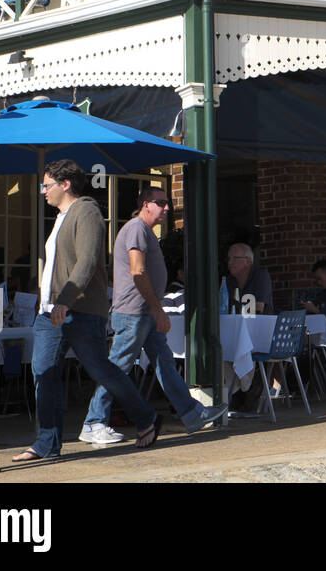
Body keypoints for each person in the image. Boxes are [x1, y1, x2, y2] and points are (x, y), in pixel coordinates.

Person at [14, 160, 163, 462]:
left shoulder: (87, 211)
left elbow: (86, 261)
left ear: (65, 184)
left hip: (79, 310)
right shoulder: (59, 218)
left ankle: (146, 417)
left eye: (47, 185)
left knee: (101, 370)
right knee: (44, 372)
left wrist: (65, 299)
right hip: (49, 312)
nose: (42, 191)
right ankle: (47, 442)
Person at [80, 186, 227, 445]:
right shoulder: (137, 229)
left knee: (164, 363)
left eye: (167, 203)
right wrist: (158, 309)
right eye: (161, 203)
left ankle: (192, 414)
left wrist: (155, 309)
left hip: (145, 311)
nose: (166, 208)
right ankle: (94, 422)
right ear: (146, 204)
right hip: (135, 313)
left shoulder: (145, 231)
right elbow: (138, 272)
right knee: (118, 368)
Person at [225, 243, 272, 315]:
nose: (230, 262)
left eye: (235, 258)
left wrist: (236, 312)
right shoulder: (228, 281)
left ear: (247, 261)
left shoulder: (260, 276)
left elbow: (258, 309)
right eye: (229, 259)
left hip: (259, 325)